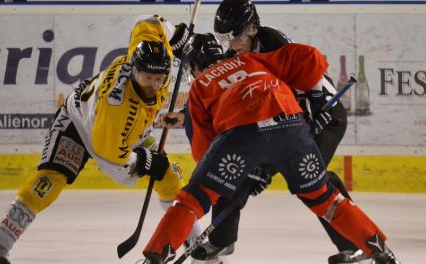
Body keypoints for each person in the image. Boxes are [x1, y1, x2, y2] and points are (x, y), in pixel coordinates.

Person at [141, 32, 401, 264]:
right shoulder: (252, 60)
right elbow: (312, 59)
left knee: (194, 197)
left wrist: (237, 173)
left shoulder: (200, 85)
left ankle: (155, 256)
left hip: (241, 138)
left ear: (194, 66)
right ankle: (381, 252)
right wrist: (315, 103)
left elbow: (204, 151)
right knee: (326, 200)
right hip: (293, 129)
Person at [0, 15, 200, 264]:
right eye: (147, 78)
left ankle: (198, 250)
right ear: (135, 70)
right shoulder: (118, 107)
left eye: (160, 79)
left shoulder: (149, 50)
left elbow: (148, 23)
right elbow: (113, 159)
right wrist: (144, 161)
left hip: (125, 132)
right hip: (79, 123)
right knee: (48, 182)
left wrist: (178, 36)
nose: (154, 86)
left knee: (170, 177)